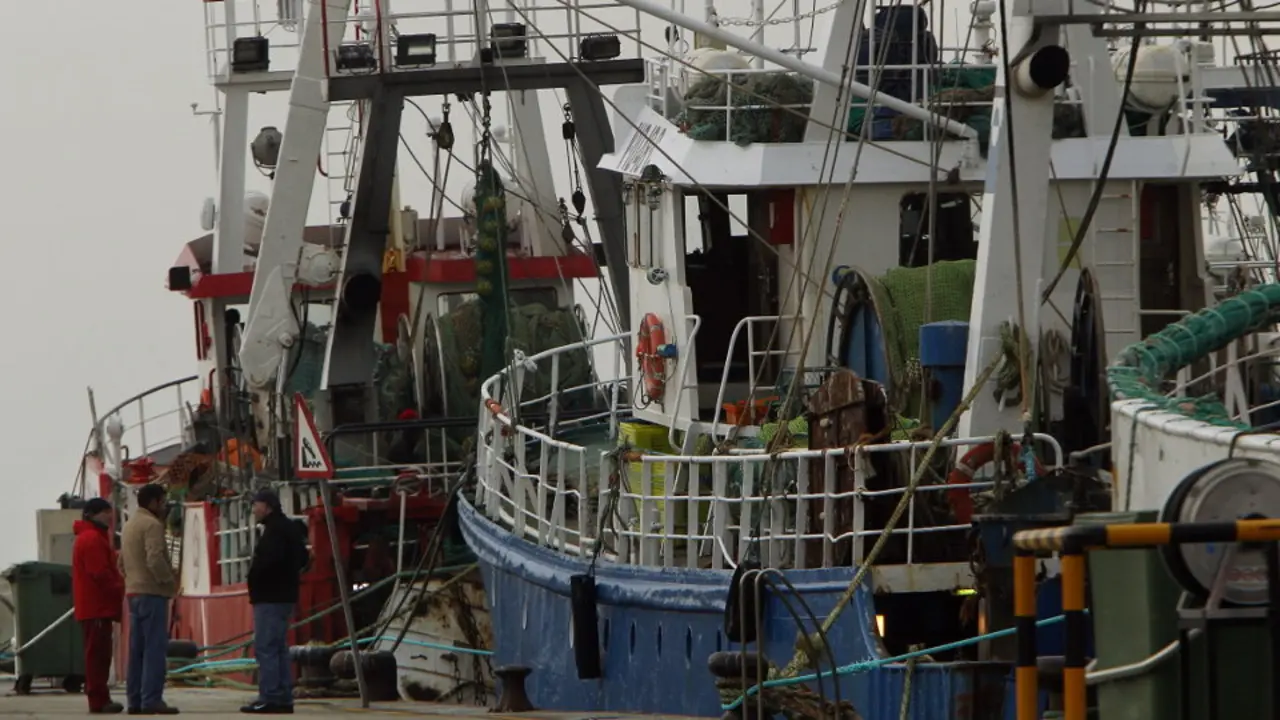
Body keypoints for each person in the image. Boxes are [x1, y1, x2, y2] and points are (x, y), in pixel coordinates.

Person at [242, 488, 309, 715]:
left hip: (270, 596)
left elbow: (268, 563)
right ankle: (283, 696)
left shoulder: (274, 532)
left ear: (267, 506)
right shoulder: (287, 528)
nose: (253, 509)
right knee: (279, 647)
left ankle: (270, 696)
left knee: (267, 648)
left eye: (256, 505)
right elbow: (303, 558)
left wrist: (254, 579)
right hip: (285, 595)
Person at [120, 484, 179, 715]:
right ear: (154, 502)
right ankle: (151, 699)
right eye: (162, 502)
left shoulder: (129, 525)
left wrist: (133, 579)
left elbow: (121, 563)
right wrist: (168, 581)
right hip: (153, 593)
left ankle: (134, 700)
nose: (164, 506)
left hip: (133, 593)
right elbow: (155, 559)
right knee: (155, 649)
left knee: (137, 650)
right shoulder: (152, 525)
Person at [71, 498, 125, 714]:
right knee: (98, 657)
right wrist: (120, 585)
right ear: (92, 514)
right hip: (97, 607)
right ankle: (98, 699)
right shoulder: (93, 539)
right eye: (104, 512)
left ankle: (101, 697)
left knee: (98, 655)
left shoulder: (90, 538)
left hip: (94, 607)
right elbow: (100, 573)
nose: (109, 517)